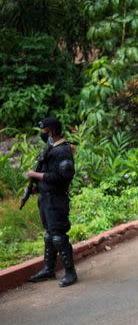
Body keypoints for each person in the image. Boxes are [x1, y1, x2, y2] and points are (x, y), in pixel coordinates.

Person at [26, 116, 78, 287]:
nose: (42, 133)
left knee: (58, 236)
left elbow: (62, 177)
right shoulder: (51, 148)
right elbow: (49, 173)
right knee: (49, 235)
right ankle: (49, 269)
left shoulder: (62, 151)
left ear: (51, 131)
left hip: (56, 199)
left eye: (44, 130)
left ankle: (70, 273)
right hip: (46, 198)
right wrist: (37, 188)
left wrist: (35, 175)